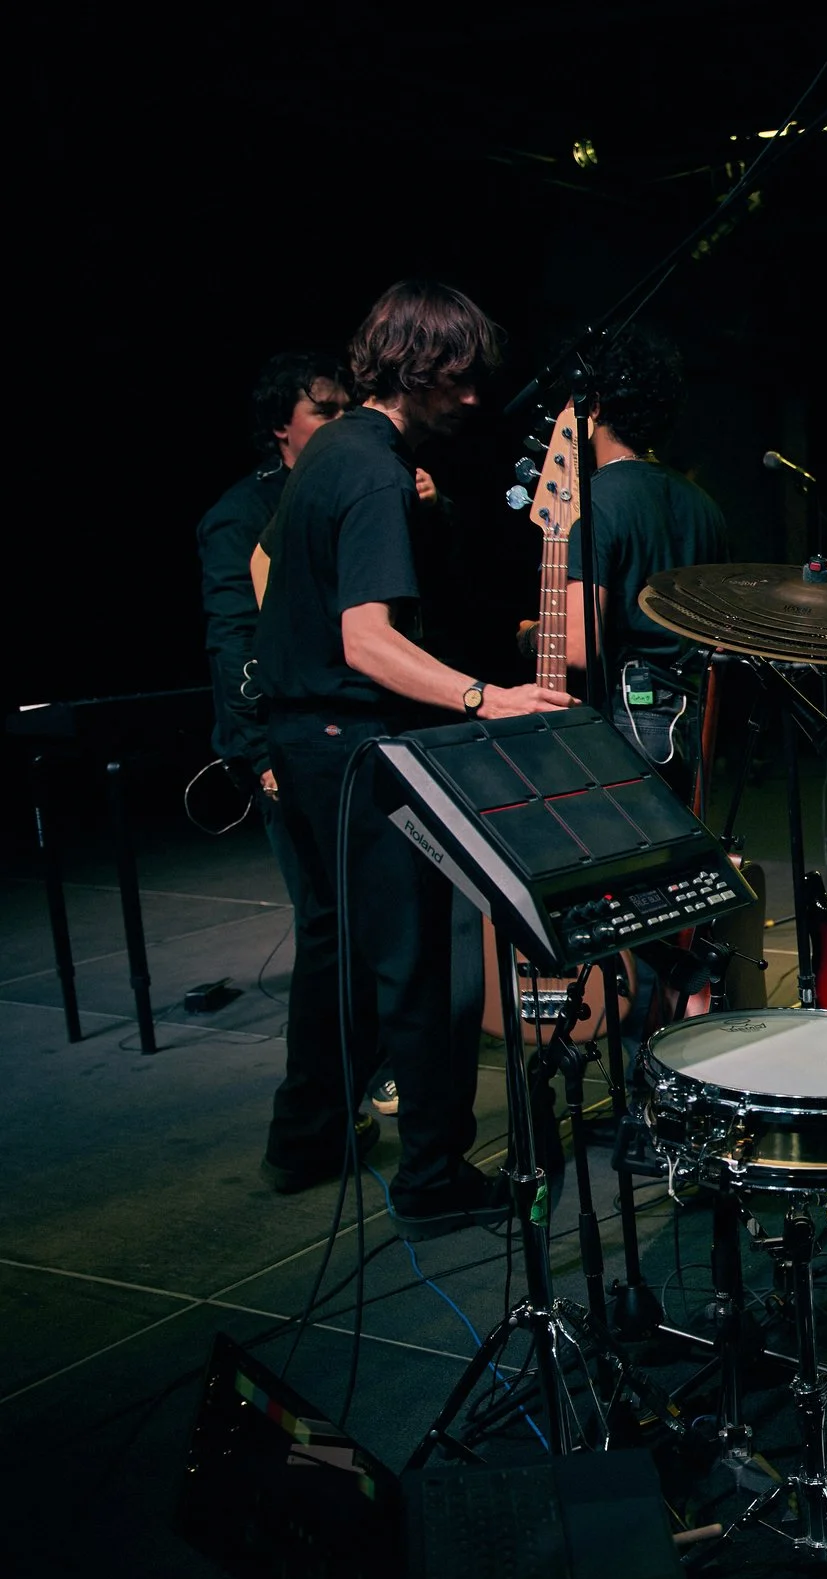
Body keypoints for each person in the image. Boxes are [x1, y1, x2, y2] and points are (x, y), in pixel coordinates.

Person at [254, 280, 570, 1234]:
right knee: (425, 963)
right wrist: (487, 695)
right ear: (420, 369)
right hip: (357, 746)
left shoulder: (331, 453)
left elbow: (271, 565)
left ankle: (304, 1139)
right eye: (461, 378)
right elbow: (368, 641)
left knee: (336, 952)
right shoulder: (380, 470)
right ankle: (433, 1177)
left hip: (303, 743)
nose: (475, 398)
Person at [524, 323, 728, 787]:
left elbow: (575, 649)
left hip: (626, 725)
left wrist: (531, 636)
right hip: (691, 724)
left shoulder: (592, 504)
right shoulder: (705, 507)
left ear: (594, 407)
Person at [198, 352, 353, 883]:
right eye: (324, 413)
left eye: (346, 411)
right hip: (285, 741)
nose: (342, 425)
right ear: (280, 427)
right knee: (324, 915)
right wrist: (262, 756)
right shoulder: (241, 514)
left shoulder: (350, 490)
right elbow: (234, 636)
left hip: (346, 728)